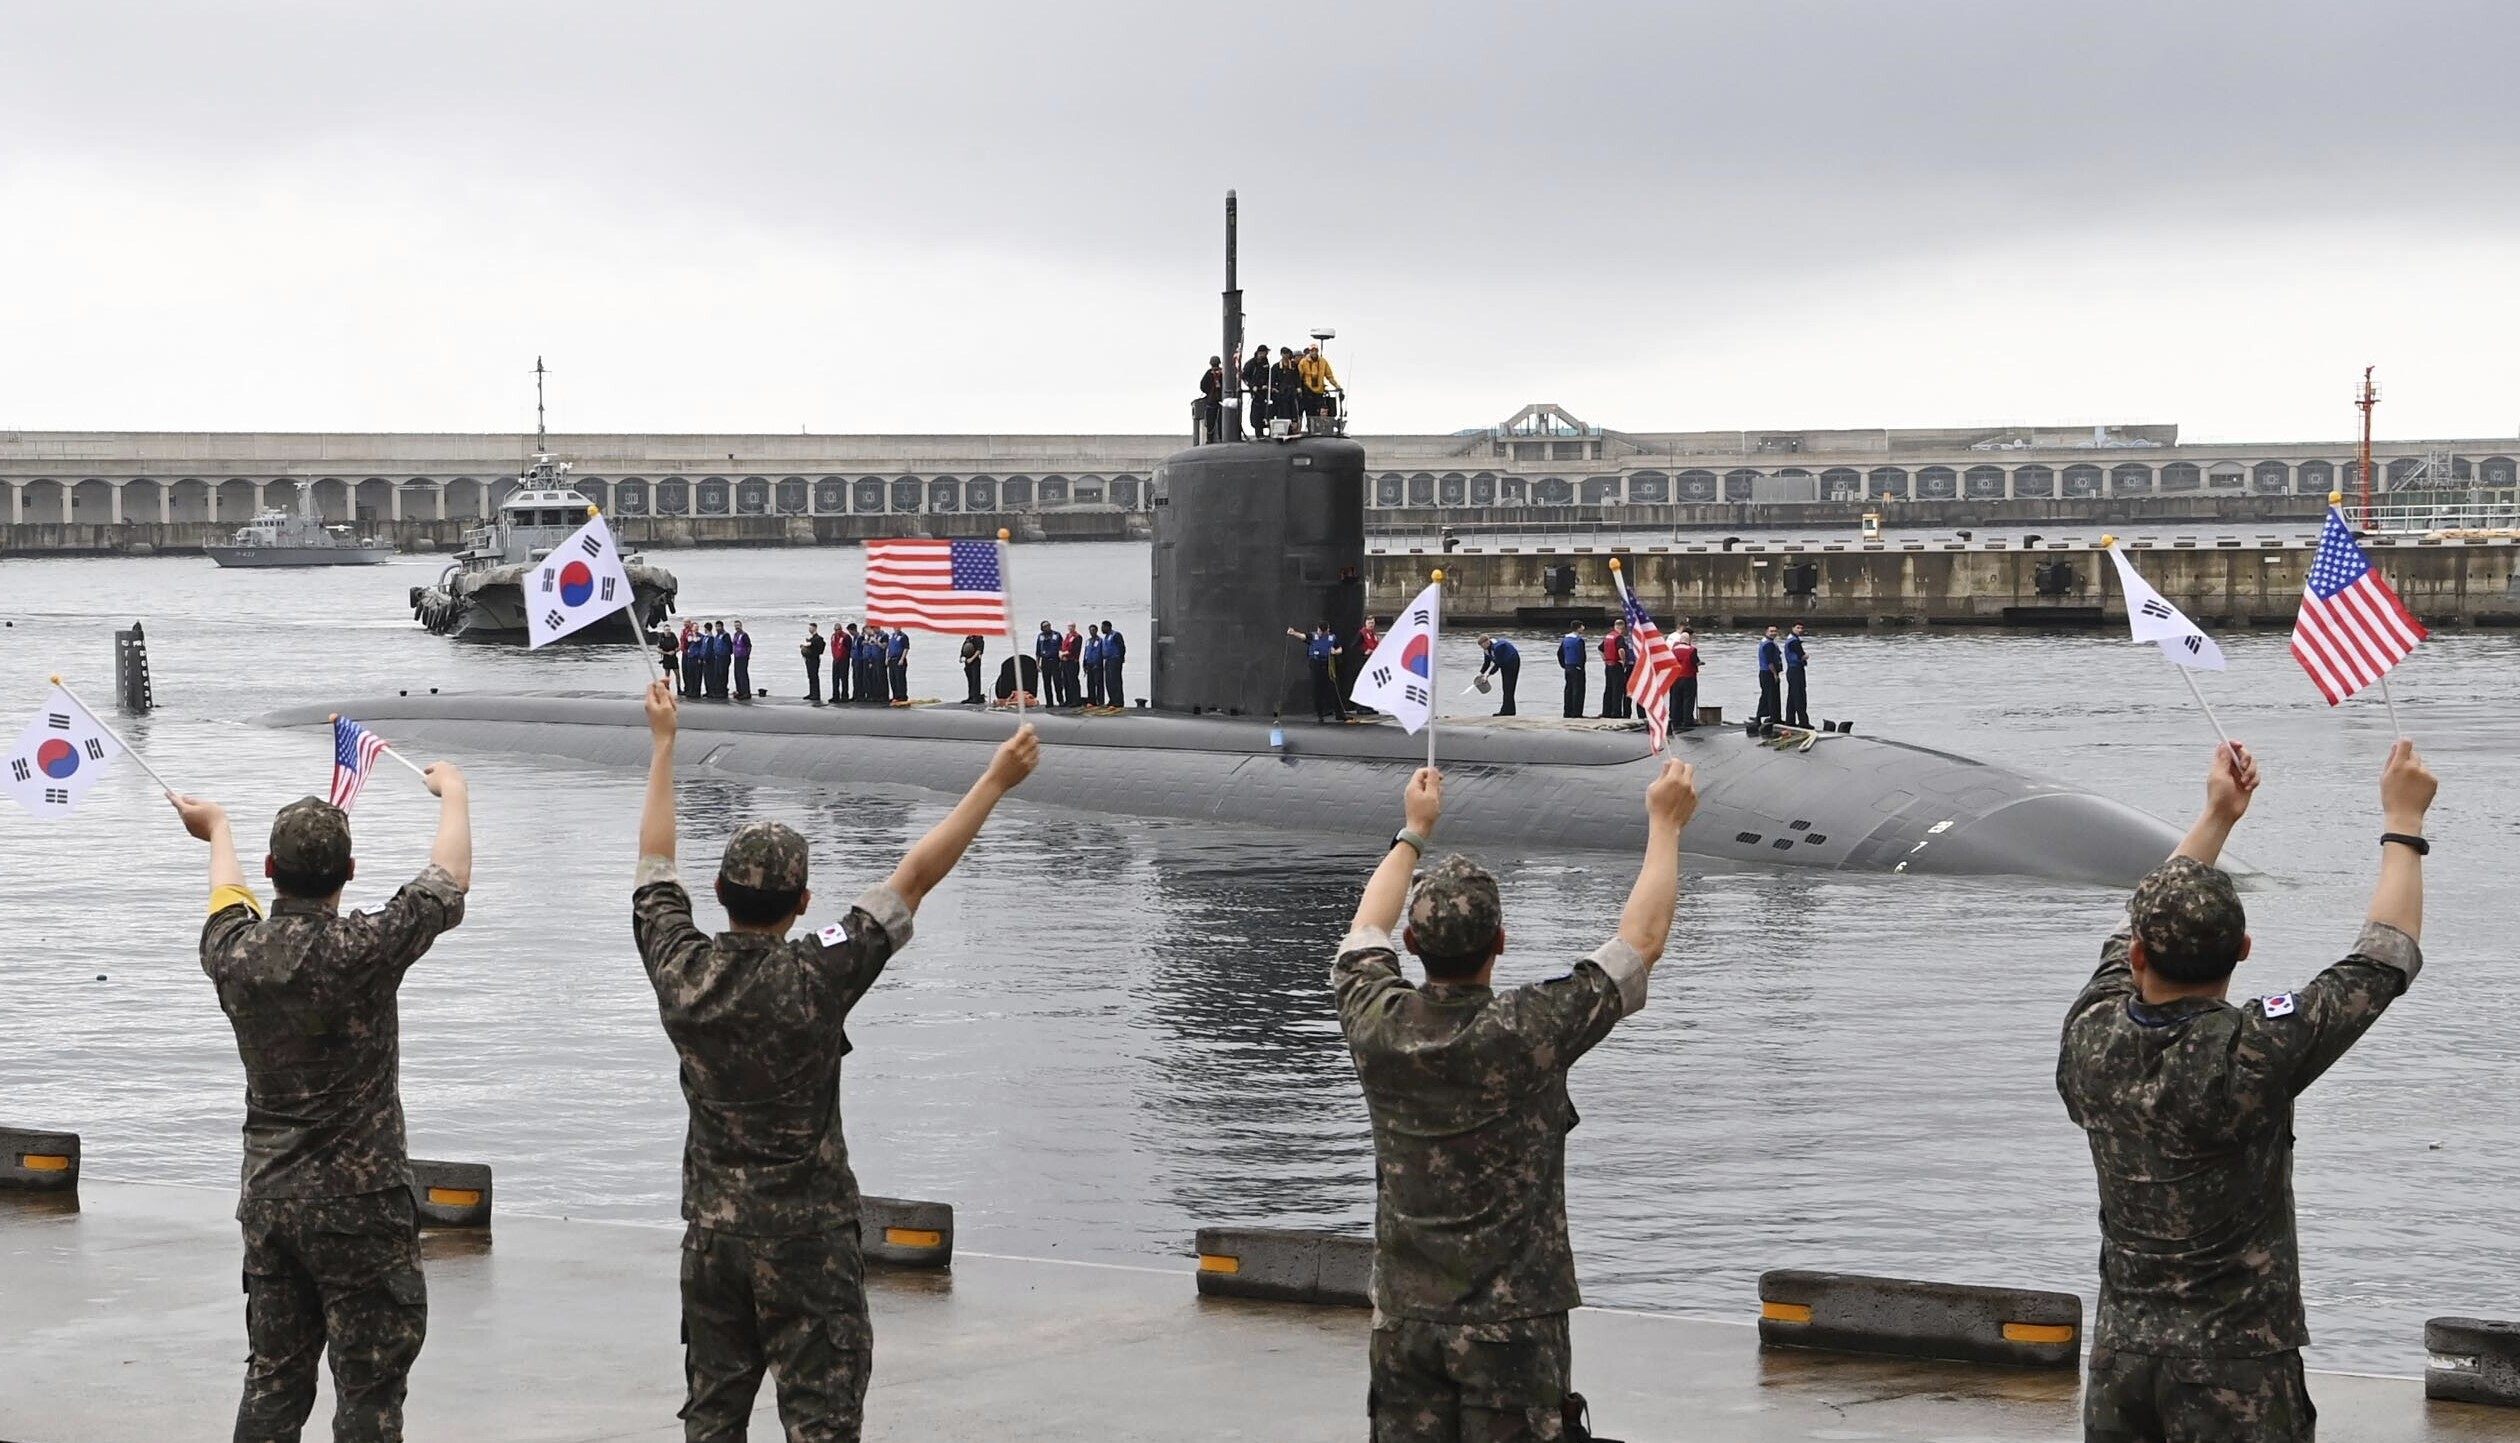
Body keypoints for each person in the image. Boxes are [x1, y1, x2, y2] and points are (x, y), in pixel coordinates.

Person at [634, 680, 1040, 1442]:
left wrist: (663, 744)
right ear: (802, 901)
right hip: (808, 1245)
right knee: (822, 1423)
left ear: (718, 894)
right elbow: (914, 877)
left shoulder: (680, 969)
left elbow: (655, 863)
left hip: (714, 1240)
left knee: (713, 1418)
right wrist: (996, 778)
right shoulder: (819, 972)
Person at [2060, 739, 2435, 1443]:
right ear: (2243, 950)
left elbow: (2129, 927)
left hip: (2123, 1362)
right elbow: (2384, 956)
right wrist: (2404, 821)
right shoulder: (2253, 1051)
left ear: (2138, 955)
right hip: (2237, 1368)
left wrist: (2216, 817)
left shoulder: (2091, 1033)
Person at [1332, 758, 1692, 1442]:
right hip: (1513, 1330)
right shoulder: (1526, 1029)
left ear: (1414, 945)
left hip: (1405, 1323)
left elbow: (1363, 931)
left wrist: (1413, 831)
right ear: (1499, 942)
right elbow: (1641, 943)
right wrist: (1665, 822)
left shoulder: (1377, 1021)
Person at [174, 765, 473, 1443]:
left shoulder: (235, 953)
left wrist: (217, 826)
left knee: (274, 1379)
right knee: (369, 1392)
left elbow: (226, 895)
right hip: (361, 1208)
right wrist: (454, 793)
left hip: (271, 1203)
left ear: (273, 867)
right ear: (351, 870)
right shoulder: (364, 948)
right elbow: (449, 876)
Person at [1289, 625, 1346, 723]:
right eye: (1320, 631)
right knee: (1317, 690)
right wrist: (1294, 633)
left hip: (1328, 664)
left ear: (1327, 630)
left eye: (1323, 632)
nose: (1321, 633)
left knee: (1334, 688)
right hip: (1316, 665)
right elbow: (1303, 636)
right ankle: (1320, 714)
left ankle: (1339, 714)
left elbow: (1340, 648)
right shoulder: (1313, 636)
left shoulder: (1332, 638)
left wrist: (1335, 651)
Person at [1299, 342, 1341, 424]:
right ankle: (1311, 428)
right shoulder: (1303, 362)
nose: (1314, 352)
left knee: (1321, 411)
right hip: (1308, 391)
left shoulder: (1323, 361)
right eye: (1312, 350)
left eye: (1315, 350)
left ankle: (1320, 428)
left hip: (1319, 391)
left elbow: (1329, 376)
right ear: (1309, 351)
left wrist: (1336, 385)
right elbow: (1299, 377)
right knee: (1310, 411)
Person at [1478, 635, 1520, 716]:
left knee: (1509, 687)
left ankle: (1507, 711)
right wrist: (1480, 674)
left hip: (1512, 662)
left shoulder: (1498, 647)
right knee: (1506, 687)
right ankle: (1509, 710)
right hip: (1504, 664)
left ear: (1487, 642)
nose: (1482, 648)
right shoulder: (1486, 650)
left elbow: (1498, 664)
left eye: (1482, 645)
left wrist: (1488, 675)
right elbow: (1487, 663)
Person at [1600, 621, 1631, 719]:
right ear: (1623, 627)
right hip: (1616, 665)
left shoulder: (1608, 636)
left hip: (1608, 665)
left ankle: (1606, 712)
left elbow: (1600, 649)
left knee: (1608, 689)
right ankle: (1616, 713)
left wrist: (1604, 659)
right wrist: (1623, 660)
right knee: (1617, 690)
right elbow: (1621, 650)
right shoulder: (1619, 637)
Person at [1670, 627, 1700, 732]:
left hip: (1675, 678)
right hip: (1688, 677)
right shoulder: (1692, 650)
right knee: (1688, 699)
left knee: (1676, 700)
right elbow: (1694, 662)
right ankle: (1687, 721)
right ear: (1688, 640)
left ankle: (1675, 720)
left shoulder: (1673, 649)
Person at [1783, 622, 1811, 729]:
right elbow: (1800, 656)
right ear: (1792, 628)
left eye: (1801, 628)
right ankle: (1803, 722)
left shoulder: (1791, 639)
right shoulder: (1794, 641)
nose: (1800, 630)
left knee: (1792, 696)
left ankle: (1790, 720)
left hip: (1792, 670)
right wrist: (1805, 656)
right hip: (1796, 670)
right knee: (1800, 696)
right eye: (1797, 628)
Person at [1754, 626, 1783, 727]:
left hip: (1764, 673)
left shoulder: (1765, 642)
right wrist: (1775, 674)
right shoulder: (1768, 644)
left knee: (1766, 695)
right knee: (1771, 696)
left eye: (1775, 631)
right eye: (1771, 631)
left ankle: (1765, 716)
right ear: (1766, 632)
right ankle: (1774, 718)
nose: (1773, 633)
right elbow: (1770, 661)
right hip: (1768, 673)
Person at [1557, 622, 1587, 719]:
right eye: (1582, 626)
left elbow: (1559, 653)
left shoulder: (1565, 639)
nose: (1583, 628)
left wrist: (1564, 665)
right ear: (1578, 628)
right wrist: (1581, 667)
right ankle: (1577, 713)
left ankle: (1567, 712)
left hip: (1568, 667)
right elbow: (1583, 656)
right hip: (1577, 667)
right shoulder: (1579, 640)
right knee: (1578, 690)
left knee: (1568, 689)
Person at [1241, 344, 1273, 433]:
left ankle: (1267, 429)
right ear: (1260, 353)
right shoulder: (1251, 364)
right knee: (1257, 411)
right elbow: (1244, 377)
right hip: (1255, 391)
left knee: (1266, 410)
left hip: (1264, 391)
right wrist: (1252, 386)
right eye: (1265, 352)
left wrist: (1266, 385)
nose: (1266, 354)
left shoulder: (1265, 362)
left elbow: (1267, 376)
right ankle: (1258, 432)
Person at [1273, 347, 1304, 429]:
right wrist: (1274, 388)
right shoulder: (1276, 367)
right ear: (1281, 354)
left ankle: (1293, 427)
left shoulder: (1293, 366)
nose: (1286, 356)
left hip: (1292, 392)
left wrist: (1298, 387)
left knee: (1293, 410)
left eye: (1287, 354)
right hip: (1281, 393)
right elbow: (1272, 380)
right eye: (1284, 354)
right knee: (1283, 410)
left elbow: (1297, 378)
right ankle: (1283, 428)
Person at [1198, 356, 1226, 443]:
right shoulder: (1209, 374)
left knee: (1221, 420)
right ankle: (1210, 438)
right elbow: (1203, 386)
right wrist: (1210, 392)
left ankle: (1220, 438)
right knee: (1211, 421)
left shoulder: (1222, 373)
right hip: (1213, 400)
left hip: (1220, 400)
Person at [1099, 621, 1126, 707]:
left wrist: (1120, 658)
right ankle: (1112, 699)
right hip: (1107, 660)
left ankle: (1118, 701)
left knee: (1116, 681)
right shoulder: (1105, 637)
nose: (1101, 629)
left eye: (1103, 627)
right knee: (1108, 681)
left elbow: (1122, 647)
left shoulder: (1116, 635)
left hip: (1115, 660)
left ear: (1108, 627)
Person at [1033, 622, 1061, 705]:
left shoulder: (1056, 635)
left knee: (1057, 682)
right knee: (1046, 683)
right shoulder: (1040, 636)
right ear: (1042, 628)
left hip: (1055, 660)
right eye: (1045, 626)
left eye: (1049, 626)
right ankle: (1049, 702)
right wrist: (1037, 664)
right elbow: (1038, 652)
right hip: (1045, 661)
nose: (1048, 627)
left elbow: (1061, 647)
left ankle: (1060, 700)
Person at [1081, 625, 1105, 707]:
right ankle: (1092, 700)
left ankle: (1100, 701)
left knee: (1098, 683)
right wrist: (1084, 663)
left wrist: (1098, 664)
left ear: (1096, 630)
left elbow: (1101, 653)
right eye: (1090, 630)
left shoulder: (1100, 641)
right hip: (1089, 665)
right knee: (1090, 684)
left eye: (1093, 630)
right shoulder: (1088, 641)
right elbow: (1086, 653)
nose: (1092, 632)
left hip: (1097, 665)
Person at [802, 624, 826, 705]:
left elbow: (819, 649)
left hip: (814, 659)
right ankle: (812, 693)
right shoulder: (812, 638)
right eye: (809, 628)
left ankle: (816, 694)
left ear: (815, 628)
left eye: (811, 628)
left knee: (814, 676)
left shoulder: (818, 638)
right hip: (809, 659)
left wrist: (808, 644)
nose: (809, 629)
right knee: (810, 676)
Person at [831, 622, 854, 704]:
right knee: (835, 679)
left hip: (844, 660)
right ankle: (835, 696)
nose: (837, 631)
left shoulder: (846, 637)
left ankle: (844, 696)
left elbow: (849, 648)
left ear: (841, 629)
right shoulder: (833, 636)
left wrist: (846, 657)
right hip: (835, 660)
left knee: (844, 678)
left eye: (839, 629)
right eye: (836, 629)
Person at [885, 627, 910, 703]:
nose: (896, 629)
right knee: (892, 678)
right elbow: (889, 648)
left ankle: (902, 696)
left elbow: (906, 648)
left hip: (899, 659)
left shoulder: (903, 636)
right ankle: (895, 695)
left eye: (898, 627)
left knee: (900, 679)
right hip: (891, 659)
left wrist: (902, 659)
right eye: (895, 627)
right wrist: (887, 658)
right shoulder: (892, 636)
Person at [730, 621, 753, 701]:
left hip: (743, 657)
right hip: (737, 657)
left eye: (738, 625)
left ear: (741, 626)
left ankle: (746, 692)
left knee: (743, 674)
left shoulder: (744, 635)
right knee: (737, 674)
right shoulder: (735, 635)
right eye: (736, 626)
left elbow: (749, 645)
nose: (737, 627)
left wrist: (747, 655)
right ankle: (740, 691)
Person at [959, 634, 985, 705]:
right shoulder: (968, 638)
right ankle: (970, 696)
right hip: (967, 661)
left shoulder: (979, 638)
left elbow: (979, 650)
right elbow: (963, 648)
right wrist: (961, 657)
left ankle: (976, 697)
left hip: (975, 662)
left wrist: (972, 659)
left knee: (975, 679)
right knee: (970, 680)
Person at [679, 621, 702, 698]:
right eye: (695, 628)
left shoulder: (701, 636)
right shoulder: (689, 635)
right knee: (690, 674)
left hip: (697, 657)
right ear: (692, 628)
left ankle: (696, 692)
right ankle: (690, 691)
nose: (696, 629)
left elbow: (697, 641)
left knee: (697, 675)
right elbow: (688, 640)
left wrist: (700, 658)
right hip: (690, 657)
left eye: (697, 628)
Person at [658, 625, 682, 692]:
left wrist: (674, 651)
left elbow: (679, 646)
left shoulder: (673, 636)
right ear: (664, 630)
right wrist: (667, 653)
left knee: (677, 674)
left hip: (673, 657)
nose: (668, 631)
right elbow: (658, 650)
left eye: (669, 630)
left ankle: (679, 689)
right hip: (666, 658)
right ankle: (667, 688)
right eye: (666, 630)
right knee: (667, 674)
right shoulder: (662, 638)